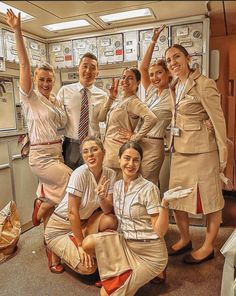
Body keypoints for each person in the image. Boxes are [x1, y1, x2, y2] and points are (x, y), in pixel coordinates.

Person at [82, 141, 192, 296]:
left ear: (141, 162)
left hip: (149, 253)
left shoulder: (149, 189)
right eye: (126, 158)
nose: (131, 164)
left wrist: (165, 204)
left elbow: (159, 232)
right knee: (87, 244)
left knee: (105, 294)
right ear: (119, 159)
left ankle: (149, 271)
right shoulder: (118, 185)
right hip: (125, 244)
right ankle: (122, 272)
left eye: (136, 160)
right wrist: (101, 198)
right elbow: (109, 210)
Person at [6, 10, 72, 228]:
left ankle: (49, 238)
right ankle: (41, 207)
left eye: (49, 80)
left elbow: (62, 123)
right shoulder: (30, 97)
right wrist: (17, 30)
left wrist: (56, 103)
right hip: (41, 156)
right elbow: (24, 65)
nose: (45, 83)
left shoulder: (54, 99)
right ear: (35, 79)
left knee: (52, 197)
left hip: (57, 152)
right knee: (72, 181)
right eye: (42, 79)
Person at [165, 44, 228, 263]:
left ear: (188, 58)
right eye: (169, 60)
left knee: (209, 199)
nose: (173, 63)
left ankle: (208, 246)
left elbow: (218, 122)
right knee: (177, 199)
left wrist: (223, 157)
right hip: (180, 150)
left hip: (203, 151)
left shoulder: (204, 84)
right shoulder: (174, 85)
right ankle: (185, 239)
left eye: (177, 57)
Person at [44, 136, 118, 274]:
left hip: (82, 223)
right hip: (59, 228)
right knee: (89, 269)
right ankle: (54, 247)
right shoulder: (80, 174)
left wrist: (102, 197)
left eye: (94, 150)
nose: (90, 154)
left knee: (111, 220)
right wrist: (80, 245)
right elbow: (72, 213)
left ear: (104, 152)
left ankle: (78, 241)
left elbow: (107, 210)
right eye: (85, 151)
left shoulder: (110, 174)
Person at [98, 67, 158, 180]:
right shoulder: (120, 100)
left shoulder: (133, 102)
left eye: (130, 78)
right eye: (124, 77)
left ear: (138, 82)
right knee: (108, 194)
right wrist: (111, 97)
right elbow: (101, 117)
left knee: (118, 193)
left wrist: (135, 137)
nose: (125, 81)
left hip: (118, 156)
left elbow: (152, 118)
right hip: (108, 155)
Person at [57, 52, 108, 170]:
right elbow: (56, 117)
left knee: (93, 181)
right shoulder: (65, 91)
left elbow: (108, 121)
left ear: (97, 73)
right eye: (85, 66)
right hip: (71, 146)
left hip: (94, 146)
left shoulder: (103, 96)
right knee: (71, 182)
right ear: (78, 69)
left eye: (92, 68)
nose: (88, 71)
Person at [139, 25, 172, 184]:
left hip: (154, 144)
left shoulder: (173, 95)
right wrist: (153, 41)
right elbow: (143, 68)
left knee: (147, 182)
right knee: (137, 181)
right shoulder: (151, 90)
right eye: (152, 75)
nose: (154, 77)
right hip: (139, 141)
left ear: (168, 73)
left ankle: (153, 209)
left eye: (159, 72)